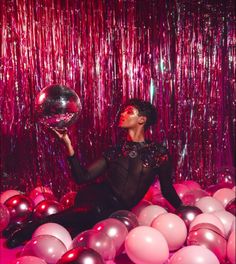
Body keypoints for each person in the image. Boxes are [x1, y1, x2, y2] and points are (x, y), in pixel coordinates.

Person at [5, 98, 182, 248]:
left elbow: (167, 189)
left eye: (129, 112)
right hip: (97, 198)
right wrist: (68, 144)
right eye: (123, 111)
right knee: (93, 213)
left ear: (142, 119)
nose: (122, 114)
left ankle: (25, 226)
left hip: (116, 209)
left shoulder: (159, 152)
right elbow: (82, 177)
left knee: (84, 221)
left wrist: (183, 210)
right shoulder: (115, 151)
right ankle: (28, 230)